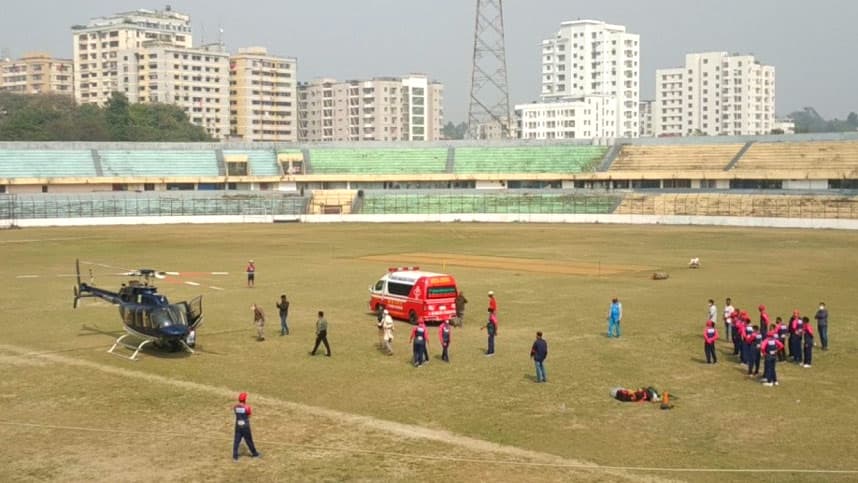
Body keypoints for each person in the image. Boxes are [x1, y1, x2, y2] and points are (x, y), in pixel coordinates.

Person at [232, 392, 261, 461]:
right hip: (245, 426)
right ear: (245, 399)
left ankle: (235, 457)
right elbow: (249, 415)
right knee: (249, 440)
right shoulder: (247, 407)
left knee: (236, 441)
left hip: (238, 425)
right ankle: (255, 454)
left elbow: (236, 413)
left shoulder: (235, 407)